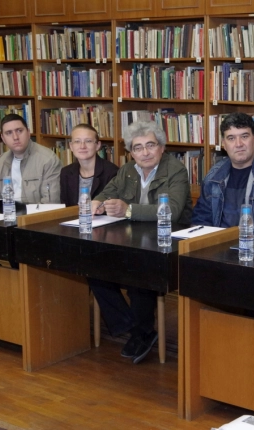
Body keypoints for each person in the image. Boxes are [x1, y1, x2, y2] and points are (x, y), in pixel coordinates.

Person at [89, 120, 193, 364]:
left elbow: (173, 210)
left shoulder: (176, 170)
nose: (145, 152)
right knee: (94, 267)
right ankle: (133, 326)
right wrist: (97, 203)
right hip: (131, 237)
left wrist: (128, 210)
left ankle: (140, 331)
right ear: (130, 152)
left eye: (150, 145)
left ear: (161, 147)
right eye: (138, 147)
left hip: (168, 240)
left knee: (140, 272)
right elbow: (106, 193)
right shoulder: (127, 170)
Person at [0, 113, 62, 203]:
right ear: (3, 138)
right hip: (7, 210)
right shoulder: (0, 161)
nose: (15, 137)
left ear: (28, 133)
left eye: (19, 131)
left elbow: (50, 202)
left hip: (34, 211)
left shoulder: (48, 160)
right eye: (9, 133)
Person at [59, 123, 119, 206]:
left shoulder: (112, 172)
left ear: (98, 145)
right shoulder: (66, 172)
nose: (82, 146)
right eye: (77, 141)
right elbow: (65, 207)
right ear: (71, 146)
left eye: (88, 141)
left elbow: (112, 207)